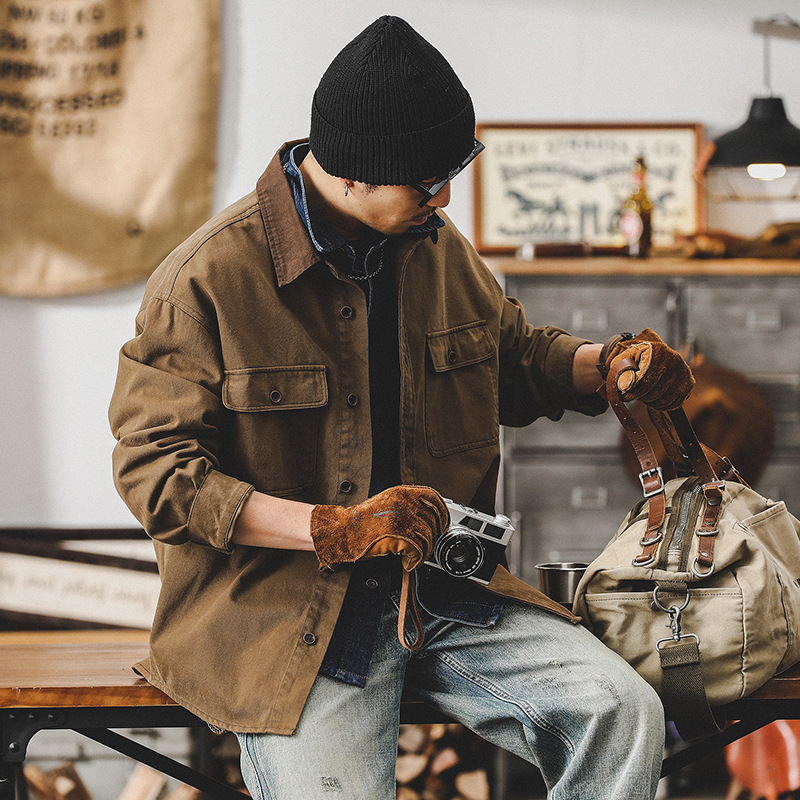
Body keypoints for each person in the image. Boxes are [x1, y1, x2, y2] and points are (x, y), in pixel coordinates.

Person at [109, 16, 694, 800]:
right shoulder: (206, 283)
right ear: (351, 174)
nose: (445, 197)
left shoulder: (433, 243)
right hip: (288, 618)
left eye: (456, 169)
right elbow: (158, 476)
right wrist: (329, 528)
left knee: (622, 712)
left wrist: (613, 368)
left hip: (444, 590)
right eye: (426, 182)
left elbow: (511, 359)